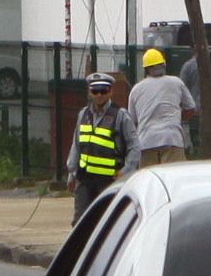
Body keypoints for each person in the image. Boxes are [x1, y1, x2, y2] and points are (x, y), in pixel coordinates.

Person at [66, 71, 128, 217]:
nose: (99, 95)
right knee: (80, 221)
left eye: (103, 90)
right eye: (95, 91)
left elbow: (134, 147)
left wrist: (125, 171)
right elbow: (76, 144)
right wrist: (72, 173)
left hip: (109, 180)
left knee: (107, 220)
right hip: (85, 179)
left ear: (110, 91)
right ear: (90, 92)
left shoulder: (120, 115)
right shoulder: (83, 114)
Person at [125, 47, 195, 169]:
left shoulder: (136, 90)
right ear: (163, 64)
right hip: (172, 139)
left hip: (146, 142)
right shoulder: (176, 82)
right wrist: (177, 117)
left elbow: (132, 121)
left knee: (150, 182)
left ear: (146, 69)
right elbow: (191, 108)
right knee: (172, 179)